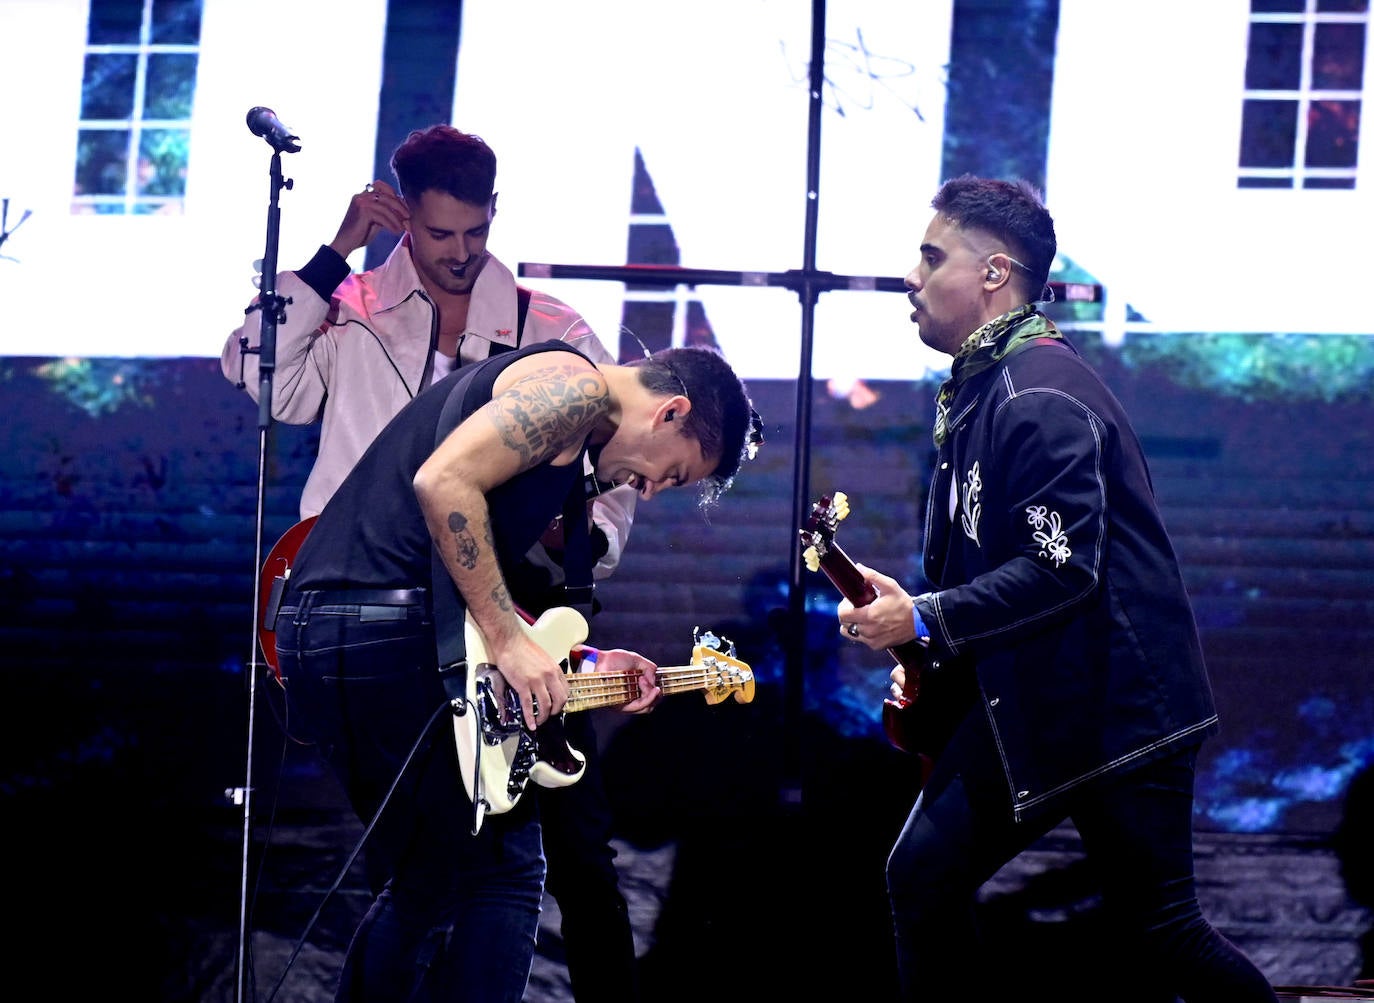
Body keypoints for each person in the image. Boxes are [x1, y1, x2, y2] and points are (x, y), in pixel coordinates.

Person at [222, 125, 642, 999]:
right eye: (438, 232)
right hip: (372, 608)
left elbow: (613, 472)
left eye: (476, 233)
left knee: (564, 849)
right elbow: (256, 371)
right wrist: (333, 254)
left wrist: (587, 541)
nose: (458, 254)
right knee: (445, 862)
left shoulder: (552, 328)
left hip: (509, 610)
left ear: (495, 214)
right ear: (402, 213)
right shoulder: (353, 307)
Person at [836, 175, 1279, 1002]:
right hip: (1040, 700)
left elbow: (1060, 568)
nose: (912, 275)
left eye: (932, 258)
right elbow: (984, 566)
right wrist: (919, 625)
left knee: (1165, 929)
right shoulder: (981, 386)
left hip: (1119, 710)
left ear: (995, 274)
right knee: (923, 875)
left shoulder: (1038, 395)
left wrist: (927, 615)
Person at [273, 338, 759, 1002]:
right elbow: (442, 483)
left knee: (435, 877)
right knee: (503, 869)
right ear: (671, 411)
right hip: (380, 625)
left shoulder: (569, 426)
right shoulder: (574, 389)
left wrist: (580, 659)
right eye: (671, 474)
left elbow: (470, 570)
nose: (648, 489)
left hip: (352, 626)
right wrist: (506, 638)